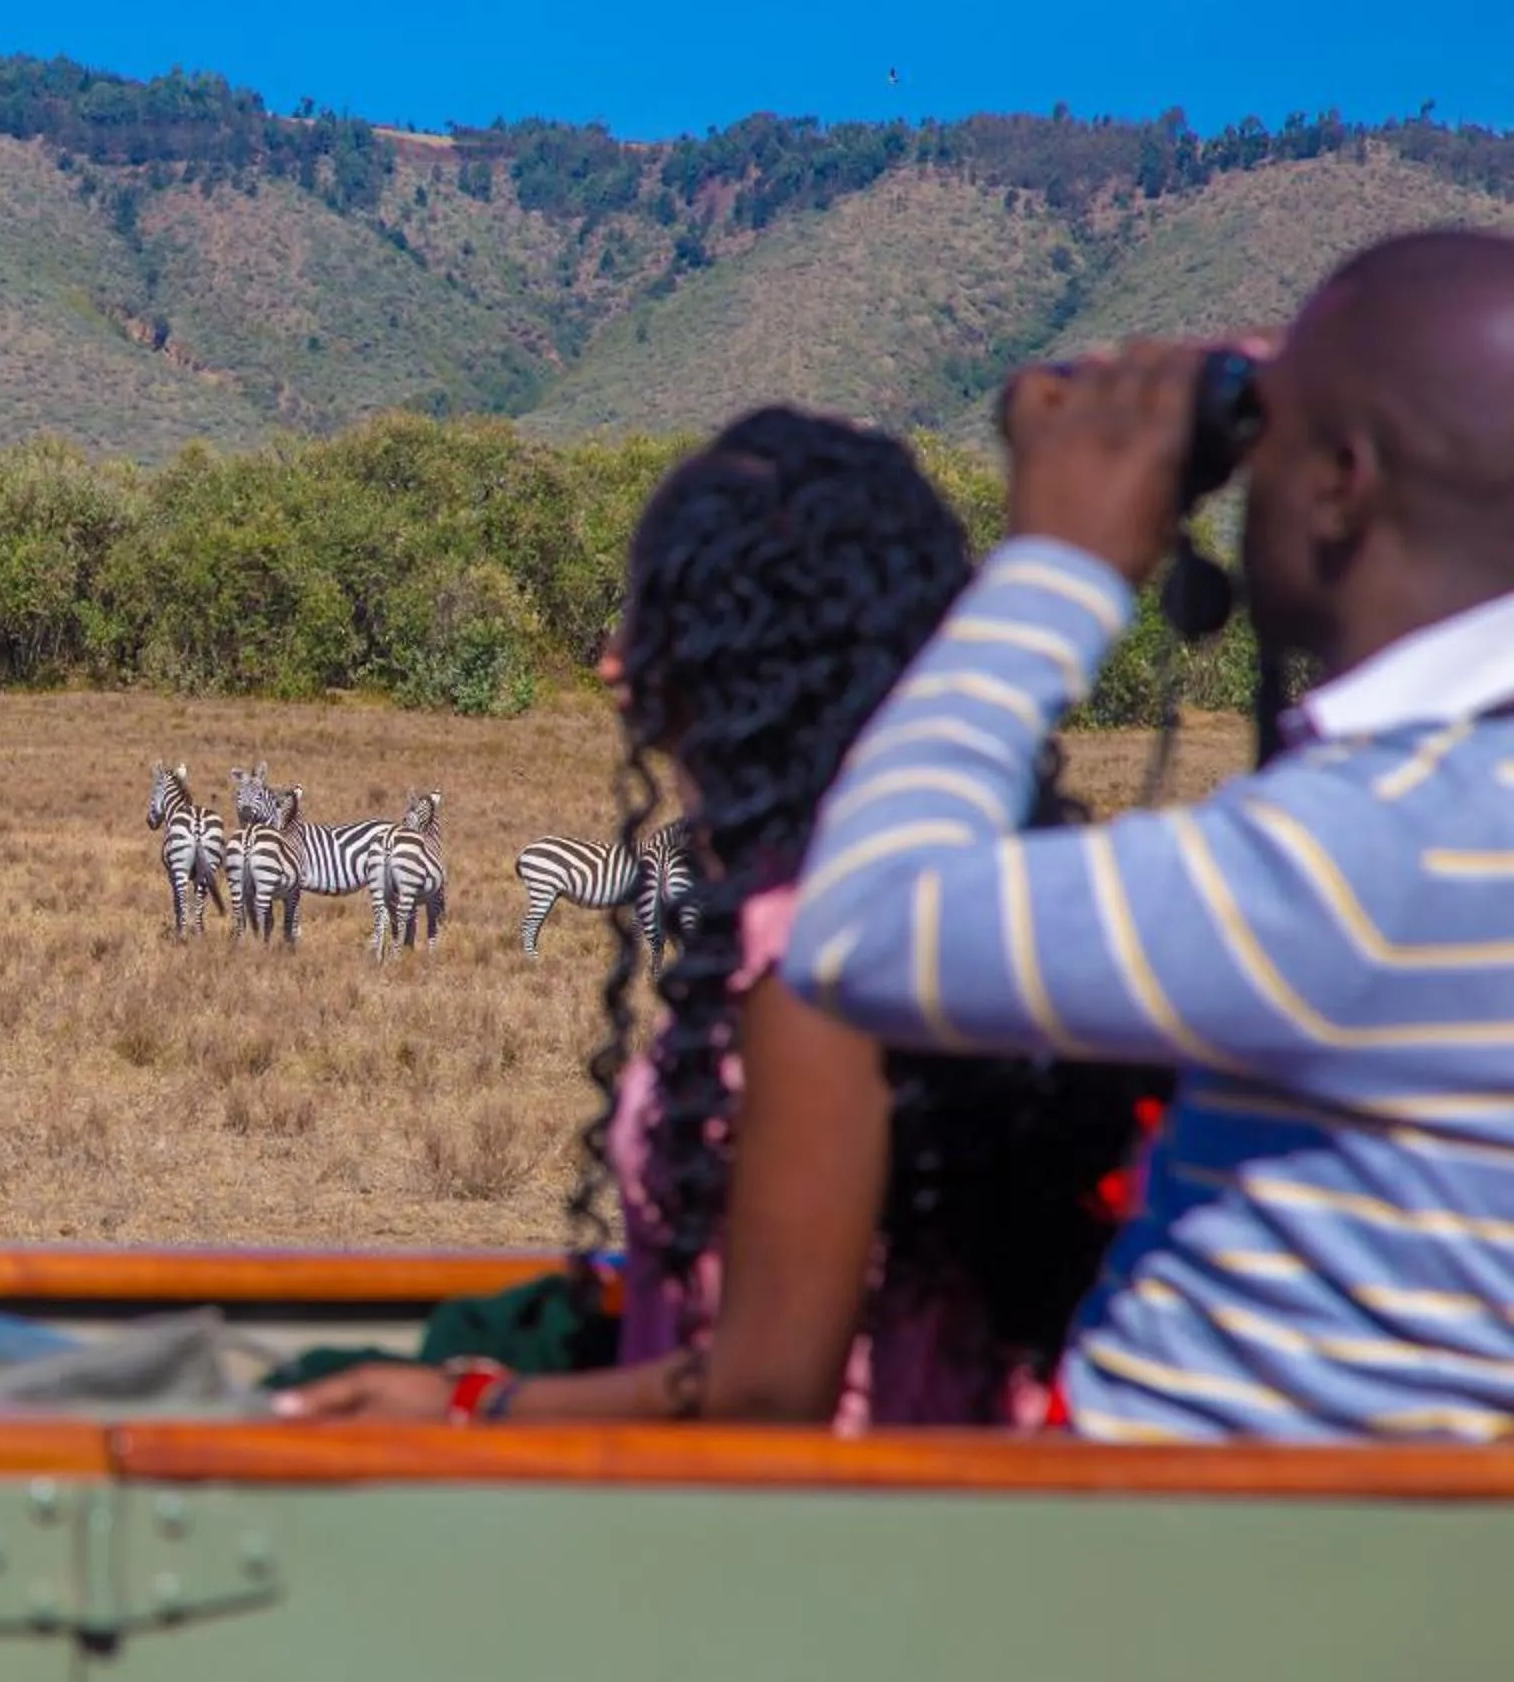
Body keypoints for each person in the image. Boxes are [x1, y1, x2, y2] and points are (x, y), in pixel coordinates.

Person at [276, 410, 1165, 1428]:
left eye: (658, 622)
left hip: (791, 1528)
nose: (616, 664)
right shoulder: (964, 892)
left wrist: (482, 1399)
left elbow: (770, 1389)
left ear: (746, 655)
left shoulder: (825, 944)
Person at [783, 226, 1514, 1443]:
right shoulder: (1442, 805)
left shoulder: (1369, 856)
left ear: (1342, 483)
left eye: (1264, 442)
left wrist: (1055, 564)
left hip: (1181, 1588)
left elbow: (861, 924)